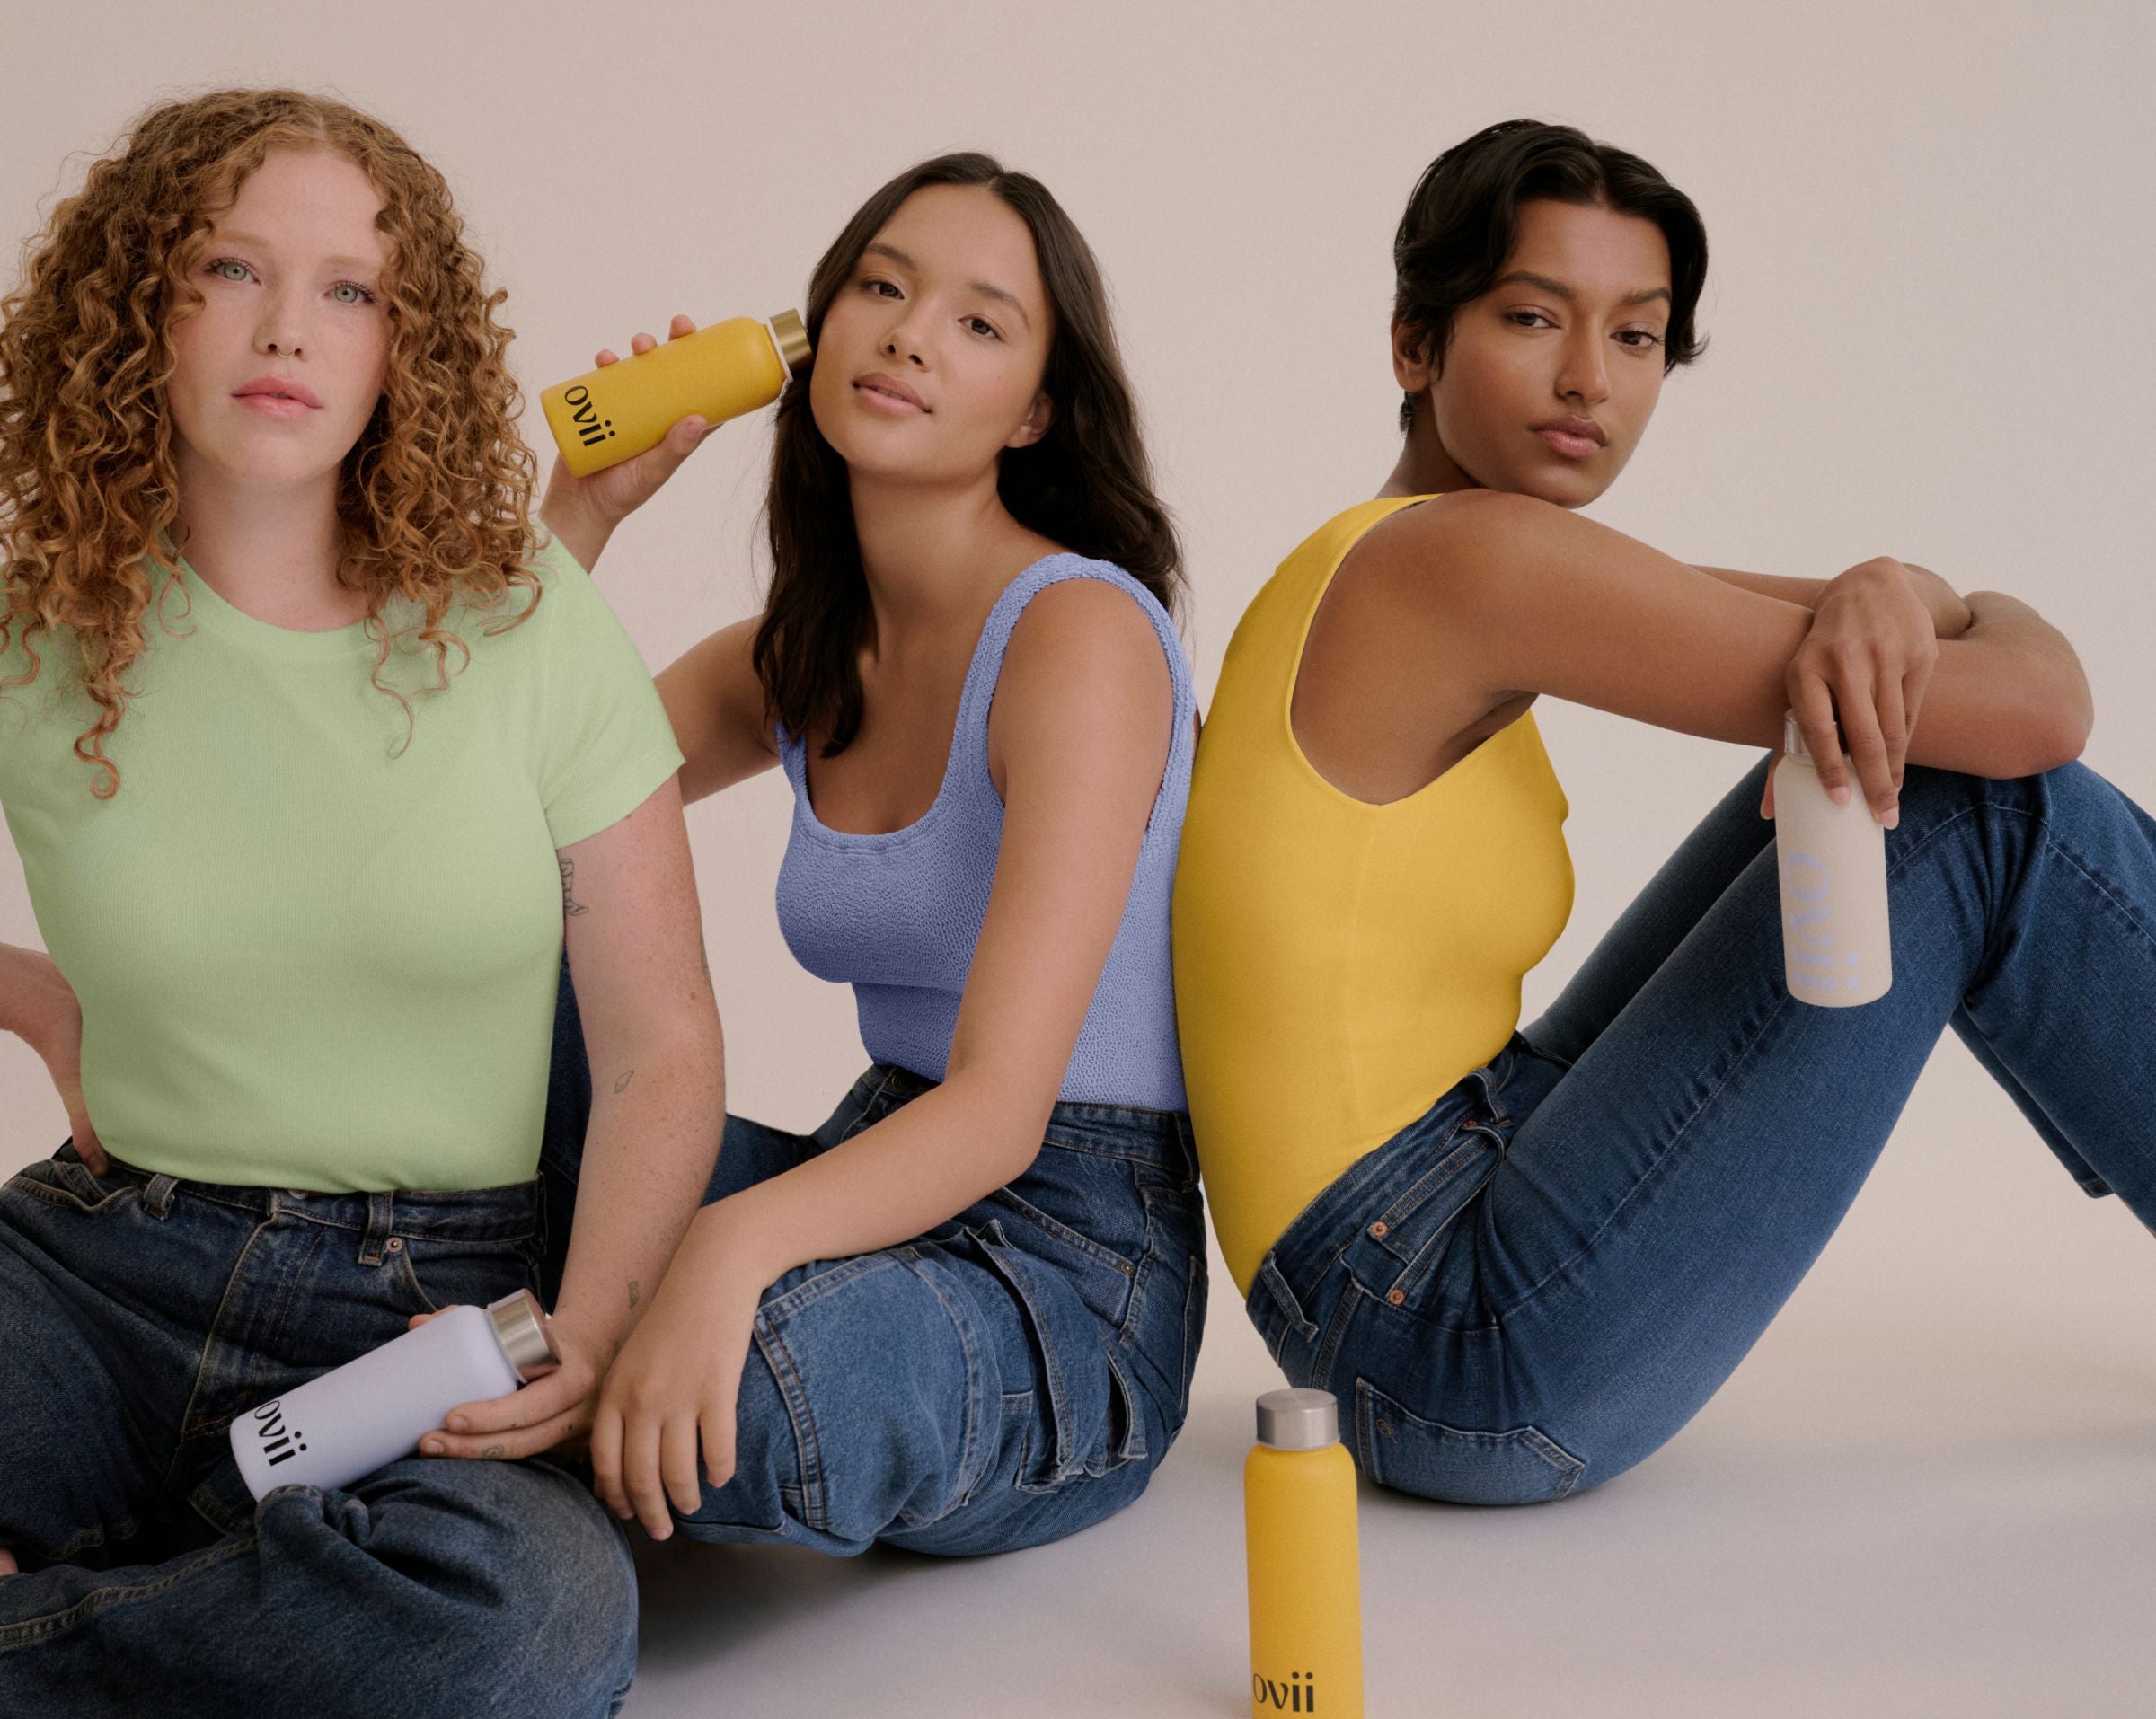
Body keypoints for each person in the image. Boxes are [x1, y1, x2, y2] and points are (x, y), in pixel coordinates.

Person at [1171, 118, 2152, 1505]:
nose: (1591, 382)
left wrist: (1888, 579)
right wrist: (1904, 587)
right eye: (1531, 317)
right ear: (1414, 345)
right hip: (1438, 1335)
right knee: (1978, 810)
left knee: (1864, 742)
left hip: (1418, 1237)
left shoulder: (1421, 557)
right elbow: (2036, 713)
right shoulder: (1469, 565)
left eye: (1638, 338)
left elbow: (1887, 636)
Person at [0, 89, 721, 1715]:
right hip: (96, 1272)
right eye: (228, 269)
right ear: (139, 310)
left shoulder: (528, 623)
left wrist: (594, 1325)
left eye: (351, 289)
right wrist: (18, 990)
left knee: (527, 1631)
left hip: (435, 1301)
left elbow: (659, 1044)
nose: (288, 328)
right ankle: (213, 1570)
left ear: (408, 346)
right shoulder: (26, 631)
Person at [511, 152, 1208, 1557]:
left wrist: (723, 1244)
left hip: (1067, 1259)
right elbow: (490, 822)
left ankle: (503, 1438)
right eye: (880, 288)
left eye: (979, 320)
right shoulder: (798, 659)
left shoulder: (1080, 638)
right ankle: (541, 1408)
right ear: (814, 334)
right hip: (868, 1167)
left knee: (753, 1401)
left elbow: (1007, 1107)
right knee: (486, 1047)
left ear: (1037, 413)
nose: (905, 332)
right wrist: (578, 516)